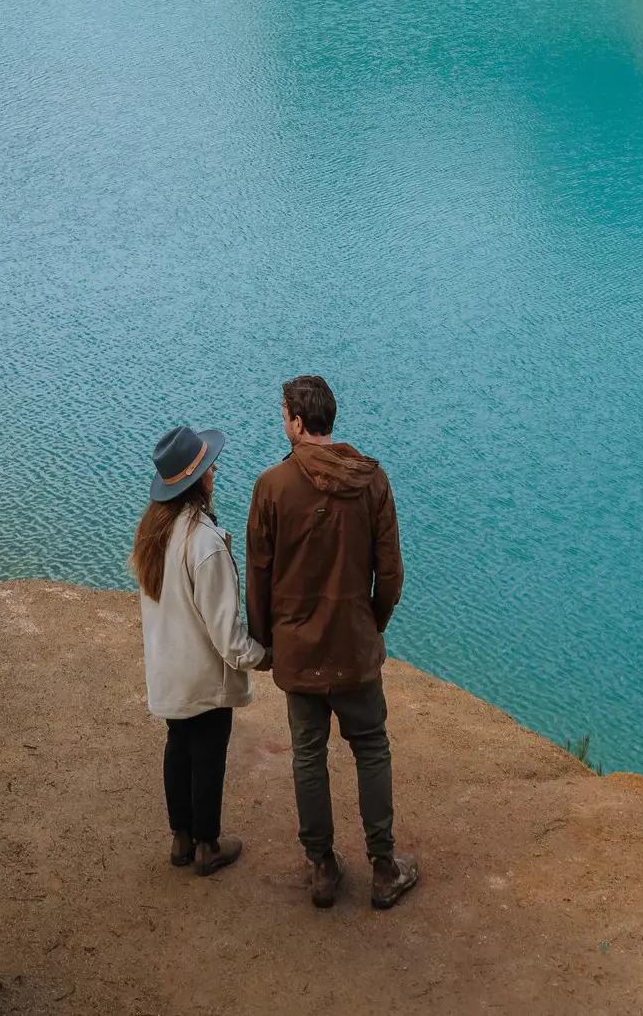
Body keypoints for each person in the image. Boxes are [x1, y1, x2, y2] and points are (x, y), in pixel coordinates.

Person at [245, 372, 419, 912]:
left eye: (283, 415)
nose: (283, 423)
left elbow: (258, 574)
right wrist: (372, 625)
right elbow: (390, 574)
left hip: (299, 650)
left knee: (308, 755)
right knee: (371, 750)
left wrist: (267, 641)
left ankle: (322, 867)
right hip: (354, 647)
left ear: (297, 422)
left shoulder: (271, 487)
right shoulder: (373, 480)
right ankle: (384, 867)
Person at [134, 422, 265, 875]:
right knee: (209, 753)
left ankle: (181, 837)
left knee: (179, 745)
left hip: (168, 670)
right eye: (209, 467)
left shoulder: (154, 529)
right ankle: (208, 844)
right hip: (202, 677)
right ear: (200, 479)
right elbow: (226, 634)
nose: (214, 472)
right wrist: (262, 656)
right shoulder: (204, 542)